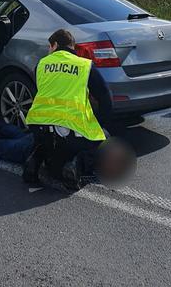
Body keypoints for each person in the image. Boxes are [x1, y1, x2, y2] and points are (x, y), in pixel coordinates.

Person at [23, 29, 114, 190]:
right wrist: (101, 124)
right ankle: (76, 163)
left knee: (45, 145)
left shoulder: (41, 65)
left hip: (40, 128)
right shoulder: (85, 66)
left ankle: (35, 159)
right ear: (72, 46)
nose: (48, 50)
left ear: (55, 45)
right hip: (73, 131)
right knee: (104, 140)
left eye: (49, 47)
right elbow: (106, 98)